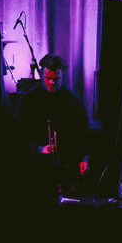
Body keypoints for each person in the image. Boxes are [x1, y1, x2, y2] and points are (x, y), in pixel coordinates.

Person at [16, 54, 92, 185]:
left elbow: (85, 134)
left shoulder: (73, 101)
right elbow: (18, 137)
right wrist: (40, 148)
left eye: (56, 79)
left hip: (66, 166)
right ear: (42, 75)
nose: (52, 83)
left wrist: (85, 158)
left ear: (62, 75)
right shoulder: (27, 101)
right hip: (35, 166)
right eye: (48, 78)